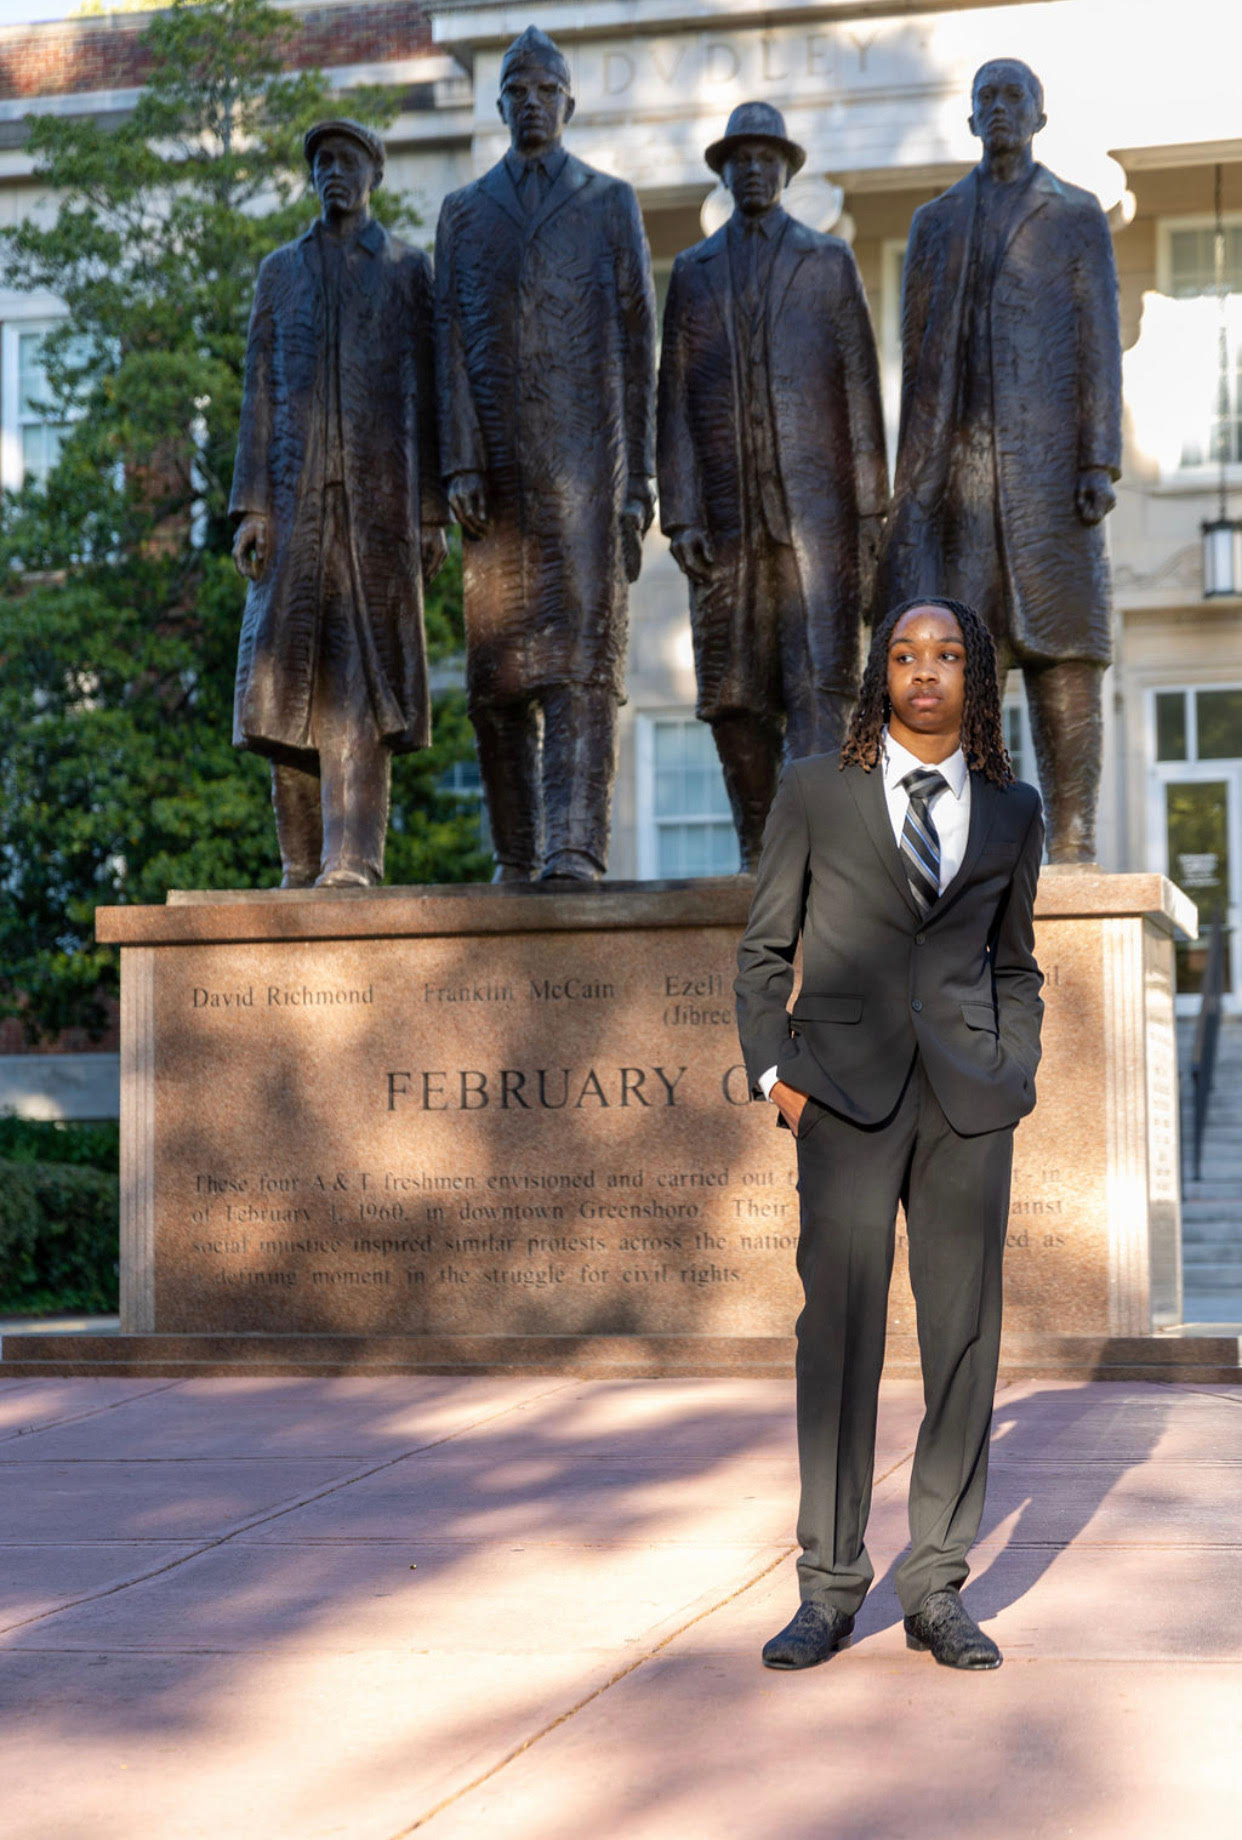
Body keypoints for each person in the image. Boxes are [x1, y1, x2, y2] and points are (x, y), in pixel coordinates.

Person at [735, 596, 1044, 1671]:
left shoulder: (1013, 808)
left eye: (947, 655)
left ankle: (937, 1587)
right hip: (844, 1101)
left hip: (968, 1108)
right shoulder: (818, 790)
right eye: (906, 654)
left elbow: (1014, 964)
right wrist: (779, 1076)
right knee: (840, 1340)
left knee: (963, 1342)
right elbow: (764, 948)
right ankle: (827, 1587)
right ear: (881, 672)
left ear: (975, 676)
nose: (925, 670)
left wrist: (1016, 1072)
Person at [876, 59, 1122, 863]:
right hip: (961, 479)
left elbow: (1097, 341)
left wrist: (1100, 459)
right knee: (964, 662)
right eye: (987, 98)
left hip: (1053, 473)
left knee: (1065, 651)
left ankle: (1076, 837)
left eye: (1015, 97)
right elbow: (916, 363)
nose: (1001, 109)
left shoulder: (1075, 214)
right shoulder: (936, 221)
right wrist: (913, 489)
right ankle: (974, 841)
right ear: (972, 119)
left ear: (1040, 117)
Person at [434, 26, 657, 884]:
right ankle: (516, 850)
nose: (532, 103)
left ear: (568, 103)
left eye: (546, 89)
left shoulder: (609, 203)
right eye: (517, 90)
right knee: (496, 682)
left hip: (586, 477)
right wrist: (457, 460)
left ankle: (575, 845)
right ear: (499, 106)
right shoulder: (464, 211)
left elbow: (639, 349)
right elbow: (448, 339)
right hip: (493, 480)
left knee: (581, 672)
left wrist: (637, 481)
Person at [658, 103, 888, 872]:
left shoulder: (827, 263)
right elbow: (675, 396)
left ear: (787, 170)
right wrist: (680, 507)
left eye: (767, 158)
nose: (753, 170)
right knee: (734, 691)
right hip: (724, 519)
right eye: (740, 158)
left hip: (815, 518)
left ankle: (822, 849)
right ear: (722, 172)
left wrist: (869, 507)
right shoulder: (692, 273)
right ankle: (758, 846)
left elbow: (859, 387)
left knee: (822, 683)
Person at [231, 119, 447, 888]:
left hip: (376, 514)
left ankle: (352, 857)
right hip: (293, 514)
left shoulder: (404, 271)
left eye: (347, 161)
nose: (333, 173)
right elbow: (259, 393)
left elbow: (430, 399)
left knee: (359, 687)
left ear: (373, 175)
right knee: (282, 689)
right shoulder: (279, 272)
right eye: (322, 161)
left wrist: (429, 514)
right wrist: (250, 507)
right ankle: (297, 864)